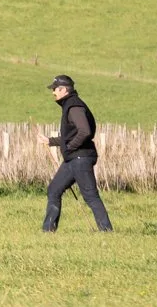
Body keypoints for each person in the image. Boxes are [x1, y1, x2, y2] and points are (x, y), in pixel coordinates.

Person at [39, 74, 112, 232]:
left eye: (55, 89)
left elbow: (84, 131)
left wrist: (71, 146)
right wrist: (50, 141)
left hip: (80, 158)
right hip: (74, 158)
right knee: (54, 189)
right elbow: (70, 135)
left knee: (90, 195)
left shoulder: (74, 106)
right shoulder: (70, 105)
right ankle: (48, 231)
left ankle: (106, 231)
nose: (53, 92)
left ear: (64, 89)